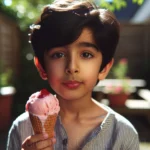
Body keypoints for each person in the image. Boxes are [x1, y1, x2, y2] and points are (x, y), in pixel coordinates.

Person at [7, 0, 139, 149]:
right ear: (42, 67)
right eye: (58, 55)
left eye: (86, 54)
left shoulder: (123, 134)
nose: (71, 67)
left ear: (104, 69)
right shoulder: (22, 128)